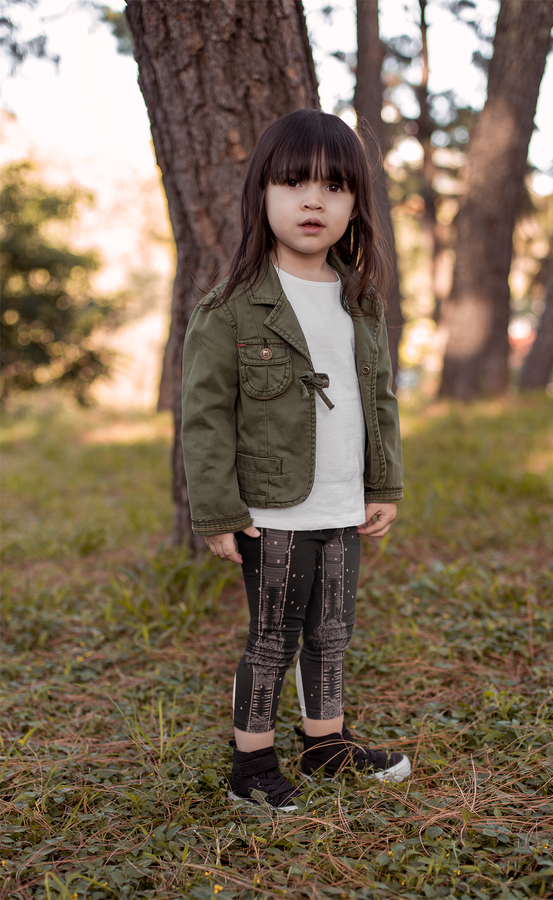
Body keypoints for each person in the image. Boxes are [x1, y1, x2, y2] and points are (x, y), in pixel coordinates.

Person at [182, 108, 410, 812]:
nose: (314, 201)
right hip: (272, 511)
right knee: (273, 638)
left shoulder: (359, 300)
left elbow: (380, 398)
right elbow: (206, 417)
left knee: (332, 633)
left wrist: (384, 485)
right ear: (262, 194)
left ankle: (326, 744)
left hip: (343, 505)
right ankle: (251, 766)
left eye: (334, 186)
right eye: (294, 183)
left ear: (355, 204)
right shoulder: (230, 308)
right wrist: (217, 511)